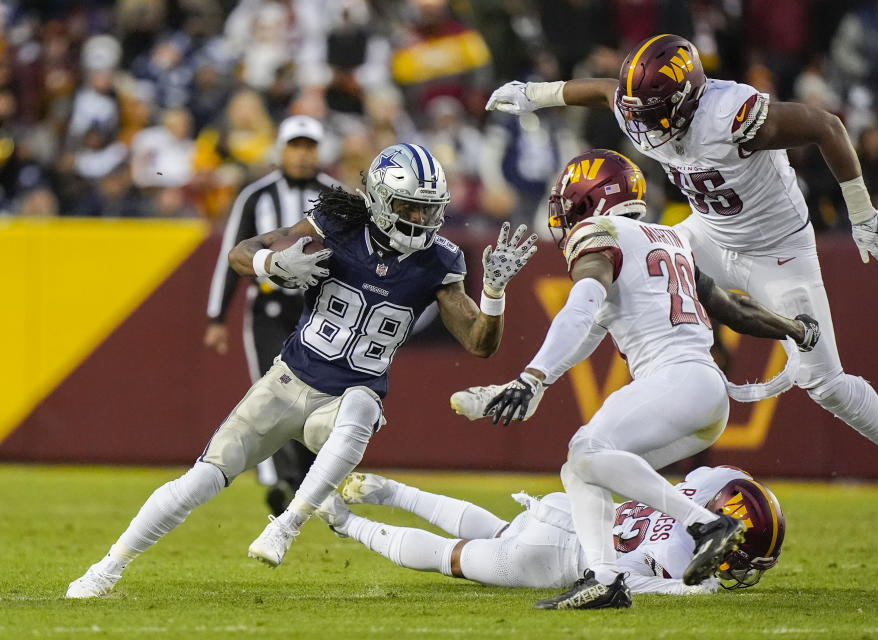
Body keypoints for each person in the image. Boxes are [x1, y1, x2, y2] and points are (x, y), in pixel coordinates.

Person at [485, 33, 878, 519]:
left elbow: (825, 126)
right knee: (612, 283)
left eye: (654, 113)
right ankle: (537, 381)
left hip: (777, 251)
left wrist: (862, 212)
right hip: (707, 232)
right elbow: (599, 91)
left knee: (823, 382)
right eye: (638, 112)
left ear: (685, 98)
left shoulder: (733, 115)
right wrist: (536, 95)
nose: (644, 126)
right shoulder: (641, 105)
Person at [65, 143, 538, 598]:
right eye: (409, 206)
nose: (420, 219)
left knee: (361, 404)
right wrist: (273, 262)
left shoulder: (440, 261)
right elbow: (242, 252)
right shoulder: (337, 222)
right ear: (378, 197)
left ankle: (286, 525)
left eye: (428, 208)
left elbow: (480, 345)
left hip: (343, 403)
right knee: (199, 481)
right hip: (287, 381)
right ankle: (106, 568)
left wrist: (494, 295)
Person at [451, 149, 817, 609]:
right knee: (582, 469)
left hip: (676, 381)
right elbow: (731, 307)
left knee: (585, 450)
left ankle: (706, 523)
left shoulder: (599, 231)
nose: (565, 216)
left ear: (588, 199)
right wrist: (795, 328)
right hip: (706, 395)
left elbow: (581, 305)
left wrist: (532, 375)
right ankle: (605, 579)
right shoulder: (669, 238)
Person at [314, 465, 785, 600]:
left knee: (498, 528)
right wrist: (692, 591)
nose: (737, 562)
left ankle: (391, 490)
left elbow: (720, 477)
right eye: (742, 553)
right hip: (551, 558)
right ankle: (347, 522)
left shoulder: (701, 488)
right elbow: (618, 578)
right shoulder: (681, 561)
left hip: (563, 510)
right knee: (450, 557)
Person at [204, 115, 344, 517]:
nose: (303, 154)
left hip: (316, 307)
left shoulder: (334, 195)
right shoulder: (256, 195)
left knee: (317, 392)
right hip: (268, 306)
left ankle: (303, 479)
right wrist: (216, 318)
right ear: (281, 150)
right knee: (274, 388)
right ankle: (287, 480)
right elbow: (232, 255)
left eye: (310, 146)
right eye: (296, 146)